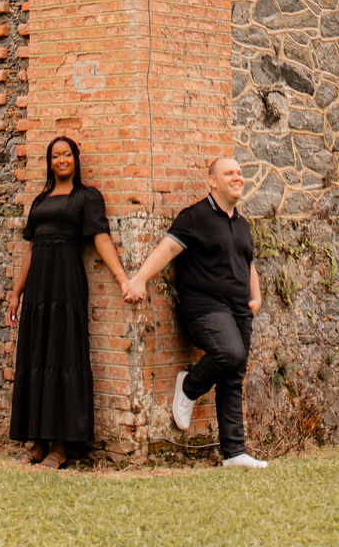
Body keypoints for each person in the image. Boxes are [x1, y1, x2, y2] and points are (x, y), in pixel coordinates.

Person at [124, 155, 267, 468]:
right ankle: (189, 386)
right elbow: (167, 249)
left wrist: (255, 296)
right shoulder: (195, 217)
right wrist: (139, 279)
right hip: (204, 307)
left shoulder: (241, 224)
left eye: (240, 173)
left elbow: (249, 264)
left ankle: (234, 453)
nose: (237, 177)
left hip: (239, 309)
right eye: (229, 173)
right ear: (212, 181)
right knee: (230, 354)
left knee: (233, 376)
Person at [8, 135, 130, 469]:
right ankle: (37, 442)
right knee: (36, 356)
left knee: (62, 356)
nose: (61, 160)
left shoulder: (86, 197)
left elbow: (100, 238)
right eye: (55, 156)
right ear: (49, 163)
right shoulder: (40, 200)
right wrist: (17, 292)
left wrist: (121, 277)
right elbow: (31, 250)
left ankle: (60, 447)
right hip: (39, 290)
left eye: (67, 155)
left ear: (76, 159)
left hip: (66, 284)